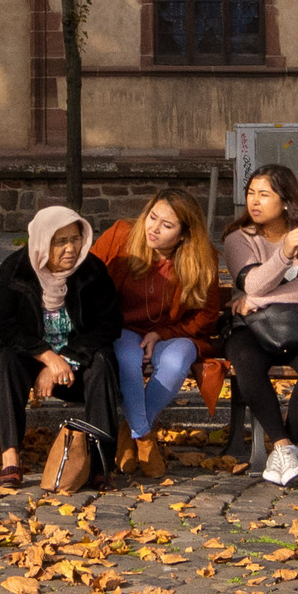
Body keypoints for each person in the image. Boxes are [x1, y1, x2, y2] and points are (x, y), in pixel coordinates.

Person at [0, 205, 123, 489]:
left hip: (76, 362)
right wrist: (48, 358)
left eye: (75, 239)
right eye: (59, 241)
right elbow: (2, 326)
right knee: (6, 362)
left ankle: (101, 463)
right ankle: (10, 460)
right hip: (30, 356)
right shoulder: (16, 268)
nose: (70, 249)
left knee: (101, 364)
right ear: (42, 241)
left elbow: (108, 324)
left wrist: (64, 360)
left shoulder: (92, 271)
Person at [90, 190, 225, 477]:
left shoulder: (201, 257)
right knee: (127, 359)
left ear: (184, 235)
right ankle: (144, 437)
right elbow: (89, 279)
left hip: (170, 334)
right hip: (121, 328)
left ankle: (132, 430)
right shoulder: (121, 236)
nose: (154, 228)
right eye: (153, 217)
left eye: (167, 225)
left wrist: (162, 333)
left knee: (179, 360)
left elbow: (207, 314)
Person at [219, 164, 298, 487]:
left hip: (297, 327)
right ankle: (283, 446)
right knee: (246, 361)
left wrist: (261, 300)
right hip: (250, 329)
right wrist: (284, 254)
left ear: (285, 200)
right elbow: (253, 282)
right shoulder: (237, 238)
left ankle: (286, 447)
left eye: (264, 195)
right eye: (250, 194)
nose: (254, 202)